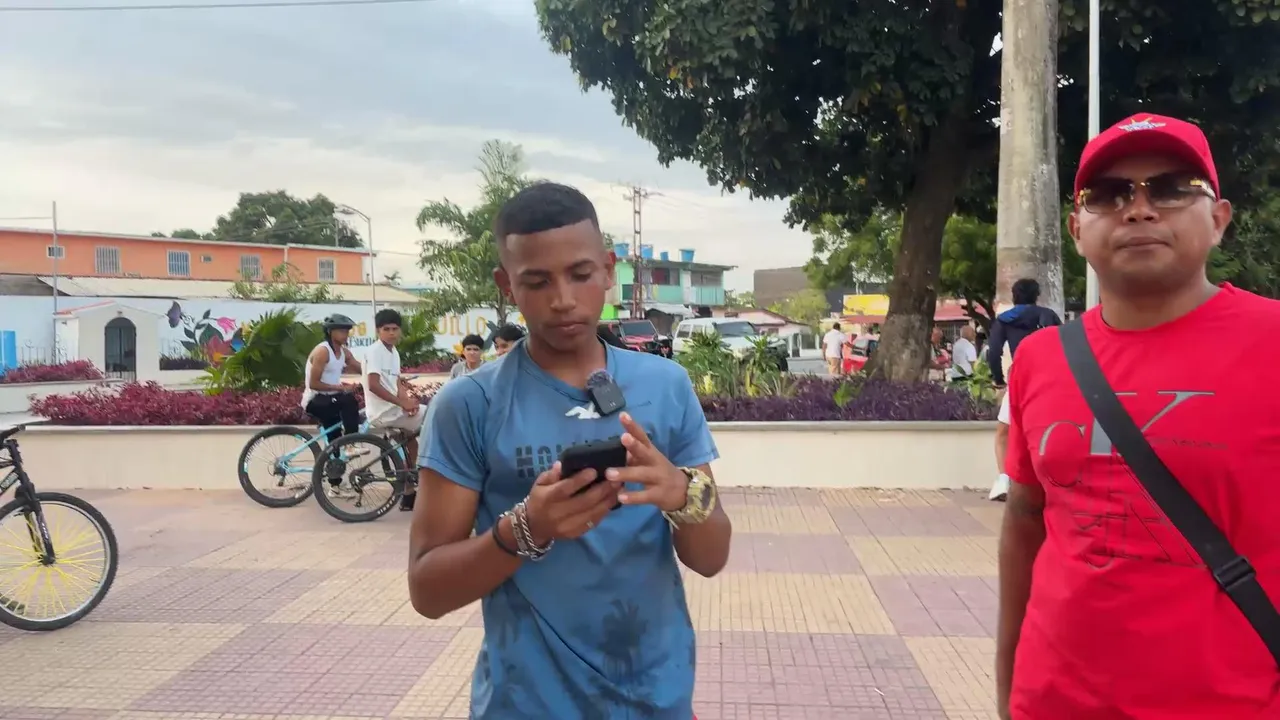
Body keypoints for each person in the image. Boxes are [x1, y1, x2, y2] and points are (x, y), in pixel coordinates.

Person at [409, 181, 731, 718]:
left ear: (607, 269)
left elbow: (711, 558)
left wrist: (681, 494)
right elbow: (427, 591)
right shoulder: (471, 404)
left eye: (580, 274)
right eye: (537, 281)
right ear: (507, 285)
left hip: (657, 701)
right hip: (524, 705)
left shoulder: (666, 385)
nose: (562, 299)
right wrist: (525, 530)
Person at [998, 114, 1280, 718]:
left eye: (1173, 189)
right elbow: (1024, 524)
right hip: (1052, 702)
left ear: (1219, 219)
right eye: (1109, 194)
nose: (1139, 210)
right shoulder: (1041, 359)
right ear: (1078, 230)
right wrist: (1008, 688)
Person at [364, 308, 425, 512]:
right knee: (435, 417)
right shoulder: (375, 352)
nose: (391, 333)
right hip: (383, 412)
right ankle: (423, 480)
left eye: (395, 329)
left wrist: (407, 402)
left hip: (395, 409)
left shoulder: (394, 352)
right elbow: (373, 385)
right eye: (386, 329)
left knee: (411, 442)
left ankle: (409, 492)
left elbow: (397, 383)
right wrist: (401, 404)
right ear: (378, 330)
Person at [302, 314, 363, 494]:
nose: (346, 334)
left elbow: (363, 369)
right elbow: (314, 383)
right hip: (315, 400)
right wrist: (341, 388)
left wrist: (381, 377)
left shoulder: (344, 353)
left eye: (347, 331)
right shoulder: (323, 351)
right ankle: (351, 444)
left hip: (330, 399)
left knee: (334, 441)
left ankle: (335, 486)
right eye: (342, 331)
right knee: (349, 401)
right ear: (330, 332)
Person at [986, 278, 1061, 387]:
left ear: (1014, 296)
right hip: (1049, 376)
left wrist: (999, 379)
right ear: (1036, 295)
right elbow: (1064, 345)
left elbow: (994, 352)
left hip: (1021, 376)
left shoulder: (1003, 320)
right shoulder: (1048, 315)